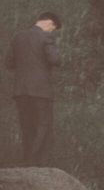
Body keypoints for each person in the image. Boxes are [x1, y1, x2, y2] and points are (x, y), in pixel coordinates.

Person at [4, 12, 62, 166]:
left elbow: (9, 62)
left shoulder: (18, 37)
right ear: (49, 23)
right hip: (41, 90)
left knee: (27, 126)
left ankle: (28, 162)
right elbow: (55, 60)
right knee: (43, 126)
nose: (52, 31)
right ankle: (40, 164)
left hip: (21, 91)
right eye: (53, 28)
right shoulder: (46, 37)